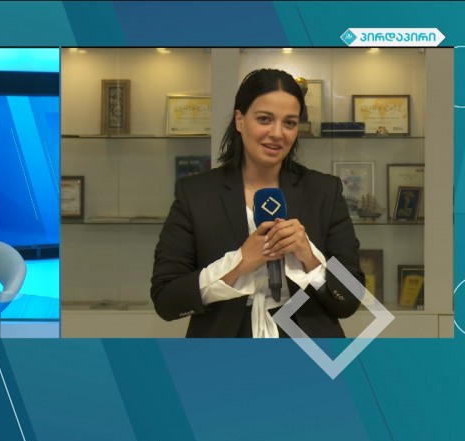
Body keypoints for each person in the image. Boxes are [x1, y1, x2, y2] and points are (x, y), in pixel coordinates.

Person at [150, 69, 364, 338]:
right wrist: (239, 263)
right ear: (240, 120)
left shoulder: (324, 191)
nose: (277, 133)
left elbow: (349, 300)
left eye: (289, 123)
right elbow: (166, 299)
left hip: (307, 343)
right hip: (225, 343)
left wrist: (308, 257)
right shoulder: (196, 193)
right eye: (265, 119)